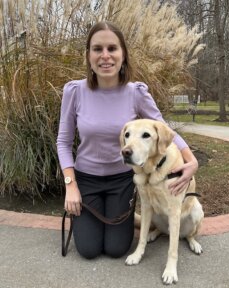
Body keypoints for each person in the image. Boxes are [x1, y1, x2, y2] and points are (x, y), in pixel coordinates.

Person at [56, 21, 198, 259]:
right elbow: (63, 141)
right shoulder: (74, 91)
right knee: (88, 250)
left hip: (122, 182)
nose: (105, 56)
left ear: (123, 55)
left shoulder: (136, 93)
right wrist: (71, 186)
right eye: (97, 49)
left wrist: (191, 160)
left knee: (116, 249)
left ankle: (130, 222)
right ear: (88, 55)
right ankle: (95, 221)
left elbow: (164, 129)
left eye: (112, 48)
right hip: (86, 181)